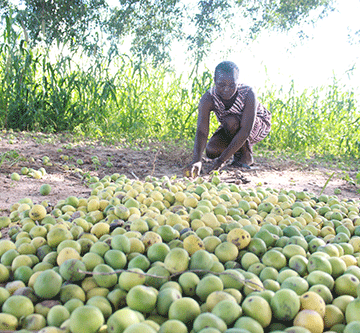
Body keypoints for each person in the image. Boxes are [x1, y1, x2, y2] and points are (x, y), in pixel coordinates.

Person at [183, 60, 271, 178]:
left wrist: (221, 161)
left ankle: (246, 156)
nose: (226, 89)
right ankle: (237, 151)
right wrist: (196, 160)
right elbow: (202, 131)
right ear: (214, 81)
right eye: (221, 85)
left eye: (232, 85)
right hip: (230, 125)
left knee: (231, 121)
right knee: (211, 151)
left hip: (256, 125)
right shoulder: (208, 98)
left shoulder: (248, 93)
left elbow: (245, 131)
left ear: (237, 81)